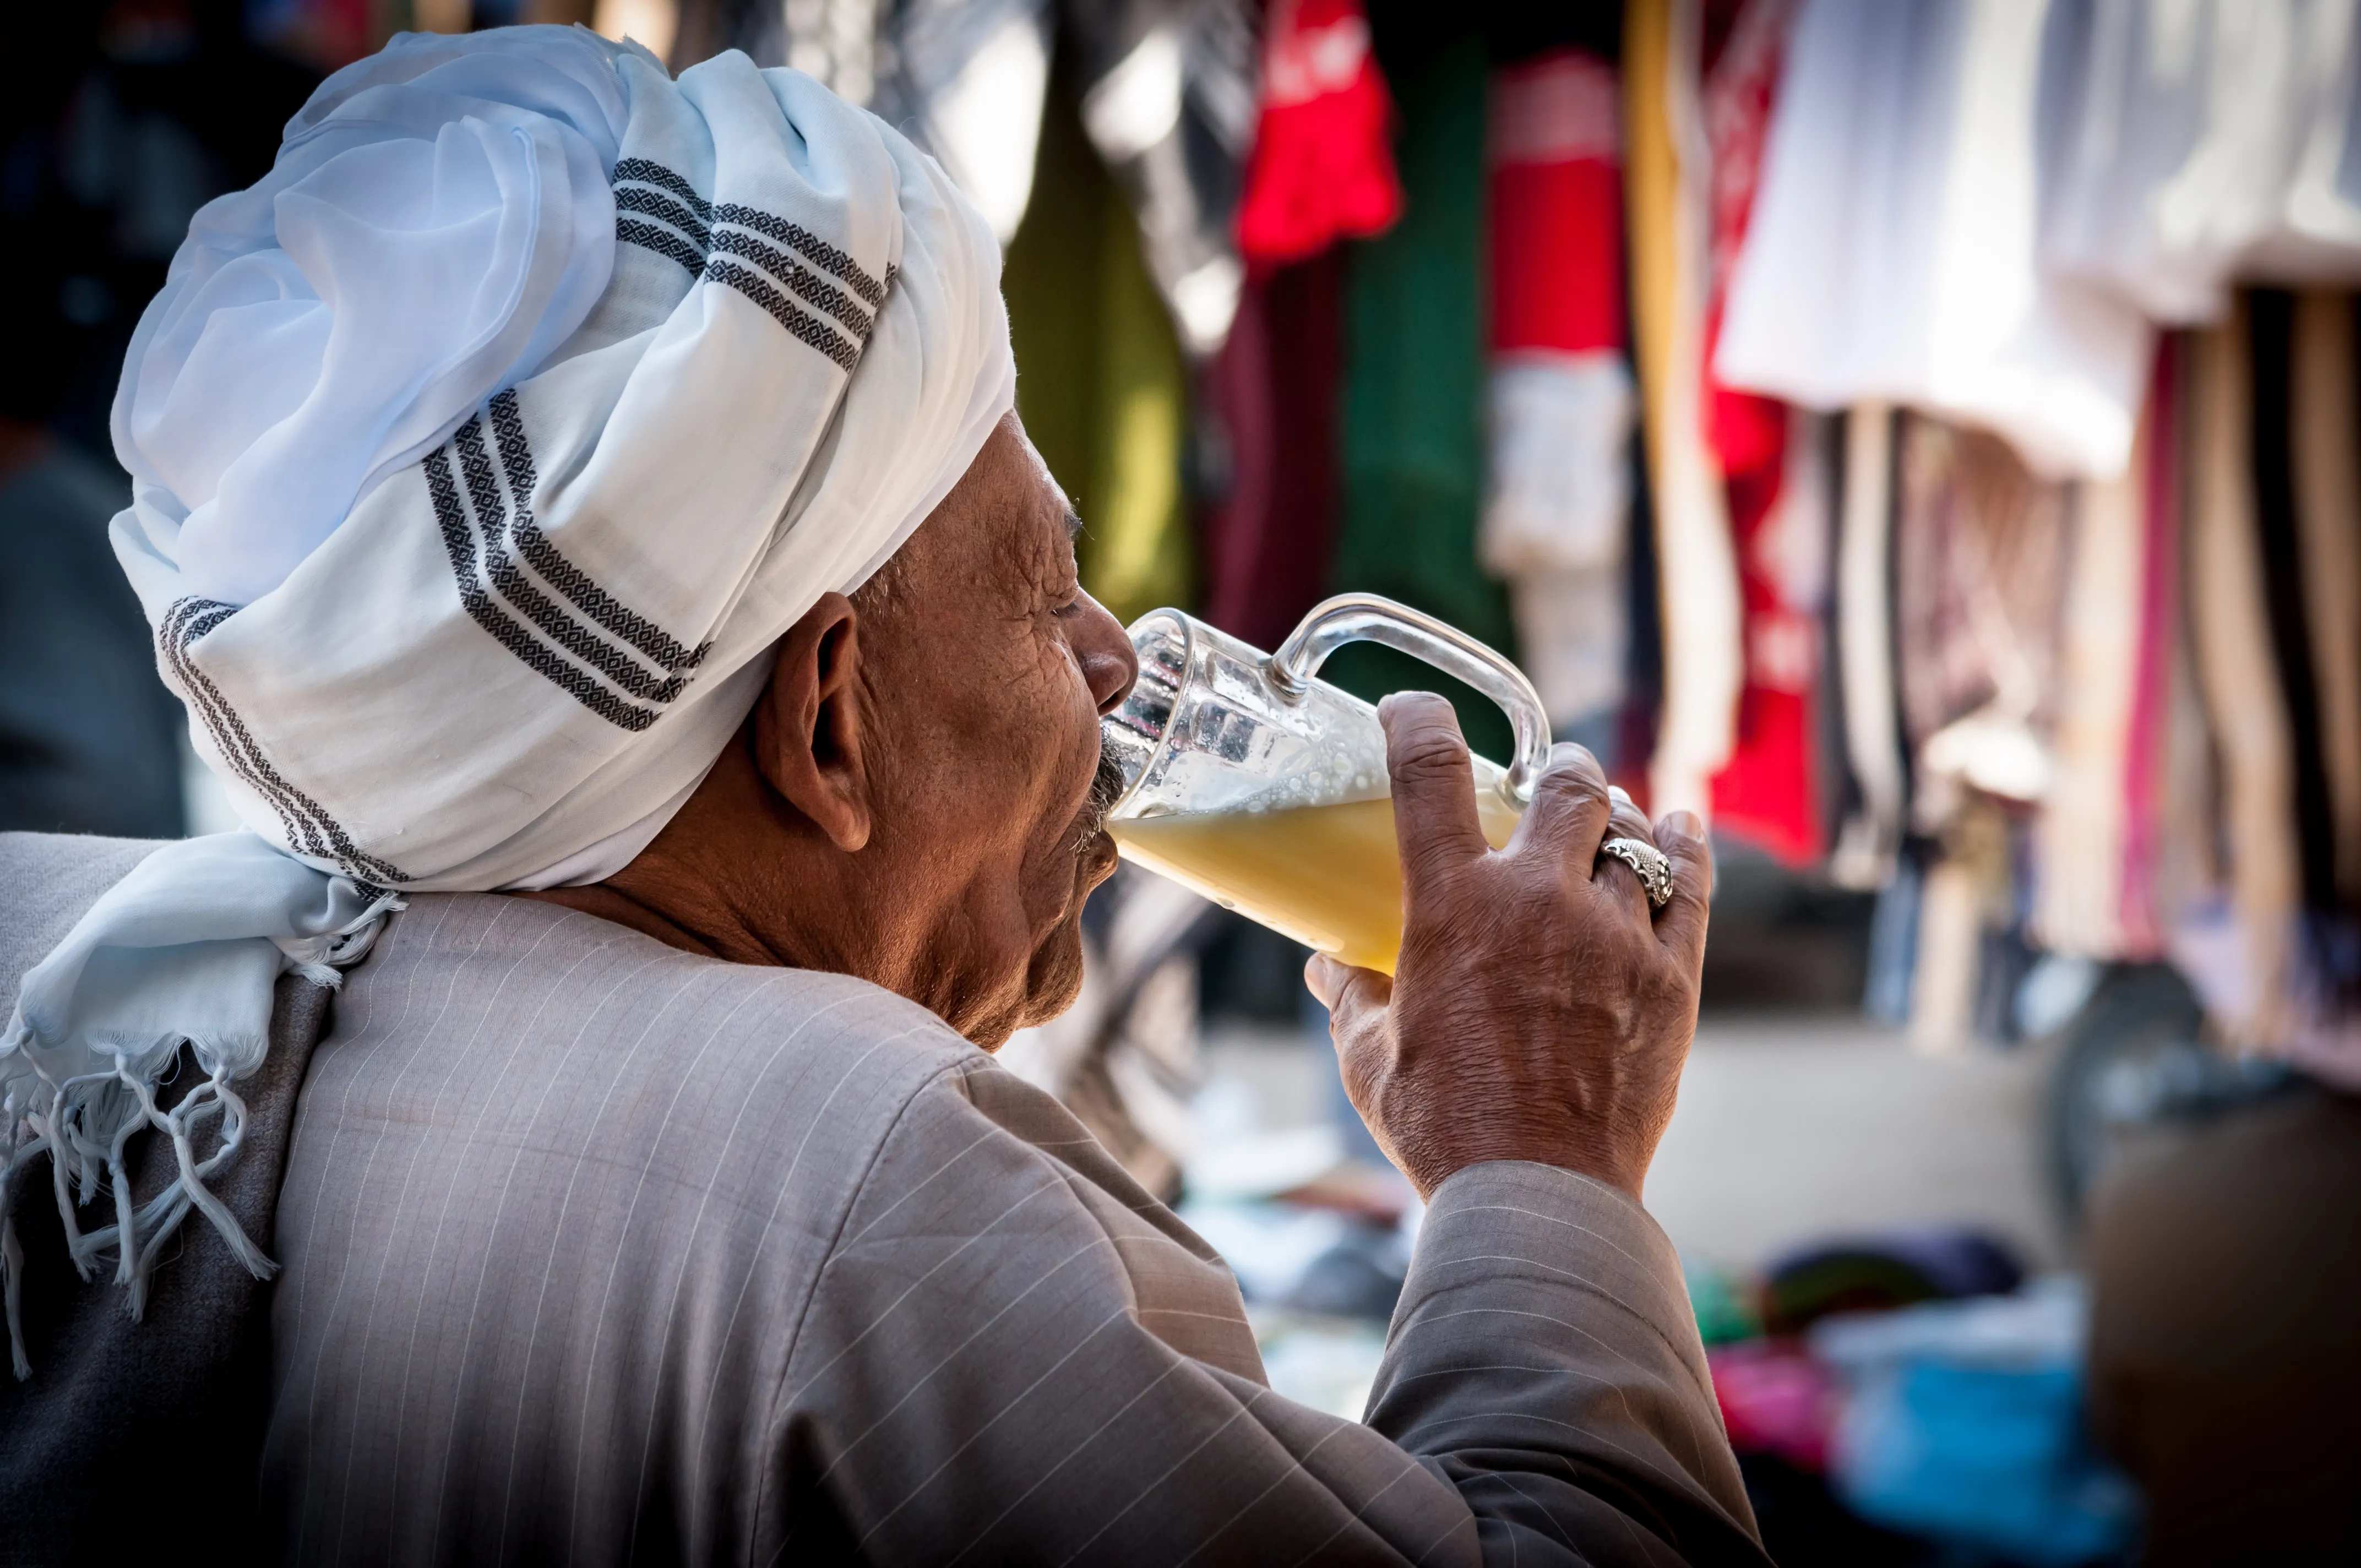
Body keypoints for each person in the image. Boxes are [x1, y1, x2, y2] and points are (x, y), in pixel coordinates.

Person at [0, 26, 1763, 1565]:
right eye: (1042, 596)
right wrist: (1540, 1160)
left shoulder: (182, 993)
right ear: (828, 721)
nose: (1114, 663)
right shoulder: (878, 1182)